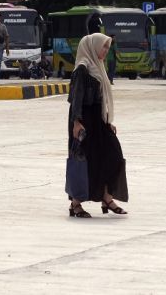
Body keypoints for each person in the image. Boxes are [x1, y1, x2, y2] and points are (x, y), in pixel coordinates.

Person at [67, 33, 128, 218]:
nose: (105, 51)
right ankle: (75, 204)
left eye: (108, 48)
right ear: (92, 47)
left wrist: (108, 121)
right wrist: (77, 123)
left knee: (114, 156)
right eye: (104, 47)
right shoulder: (83, 69)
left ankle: (106, 198)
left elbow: (102, 100)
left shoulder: (98, 67)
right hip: (84, 119)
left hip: (99, 120)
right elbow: (76, 98)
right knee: (84, 160)